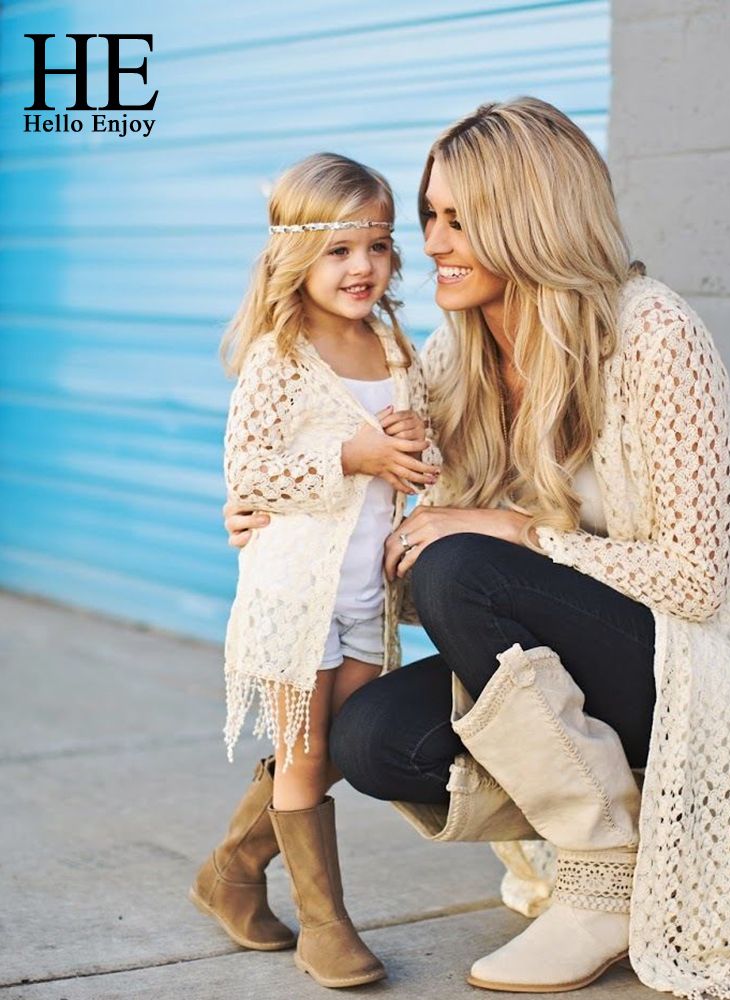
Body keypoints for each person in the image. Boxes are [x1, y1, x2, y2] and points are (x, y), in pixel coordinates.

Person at [226, 98, 730, 1000]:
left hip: (694, 663)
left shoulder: (652, 331)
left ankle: (604, 876)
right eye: (429, 215)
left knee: (467, 560)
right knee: (372, 738)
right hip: (569, 655)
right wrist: (287, 516)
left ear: (532, 221)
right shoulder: (448, 359)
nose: (431, 244)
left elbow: (696, 582)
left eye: (462, 220)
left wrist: (518, 531)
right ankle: (614, 838)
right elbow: (409, 549)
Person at [190, 152, 441, 989]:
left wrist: (412, 450)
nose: (361, 266)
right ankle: (326, 928)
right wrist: (355, 452)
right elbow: (251, 473)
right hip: (294, 592)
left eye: (375, 244)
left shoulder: (393, 343)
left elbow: (417, 452)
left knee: (341, 742)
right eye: (338, 250)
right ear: (298, 256)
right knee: (302, 754)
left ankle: (230, 870)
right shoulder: (281, 354)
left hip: (365, 590)